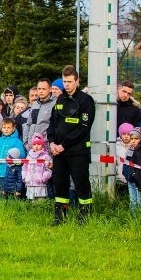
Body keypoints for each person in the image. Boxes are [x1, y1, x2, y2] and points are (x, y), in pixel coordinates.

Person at [46, 65, 96, 225]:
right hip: (59, 152)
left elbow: (83, 128)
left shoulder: (85, 101)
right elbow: (53, 123)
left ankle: (85, 215)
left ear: (77, 81)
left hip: (77, 152)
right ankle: (60, 216)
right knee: (59, 184)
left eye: (69, 81)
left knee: (81, 183)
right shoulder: (61, 99)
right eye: (64, 81)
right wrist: (52, 142)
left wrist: (63, 145)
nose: (66, 85)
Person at [0, 117, 26, 198]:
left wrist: (14, 167)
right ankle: (0, 208)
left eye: (9, 127)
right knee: (0, 194)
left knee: (11, 194)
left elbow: (22, 156)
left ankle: (11, 208)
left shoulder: (17, 142)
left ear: (13, 129)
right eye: (4, 127)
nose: (6, 129)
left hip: (11, 174)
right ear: (1, 128)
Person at [22, 79, 56, 150]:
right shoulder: (34, 104)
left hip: (46, 148)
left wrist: (51, 145)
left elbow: (56, 127)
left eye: (43, 89)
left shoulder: (55, 104)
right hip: (31, 147)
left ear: (50, 89)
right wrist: (26, 142)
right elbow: (28, 124)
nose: (40, 91)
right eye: (39, 88)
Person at [23, 133, 52, 200]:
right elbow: (24, 167)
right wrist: (24, 178)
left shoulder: (46, 156)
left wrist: (43, 179)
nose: (36, 146)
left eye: (39, 144)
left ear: (42, 145)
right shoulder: (29, 156)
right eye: (34, 144)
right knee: (31, 202)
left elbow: (48, 170)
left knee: (40, 202)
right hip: (29, 183)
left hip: (40, 185)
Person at [124, 130, 141, 211]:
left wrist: (135, 175)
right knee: (132, 200)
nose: (133, 141)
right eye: (132, 138)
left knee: (139, 201)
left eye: (136, 139)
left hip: (138, 180)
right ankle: (133, 219)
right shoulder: (129, 151)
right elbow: (125, 165)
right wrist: (126, 174)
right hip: (130, 179)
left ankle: (140, 219)